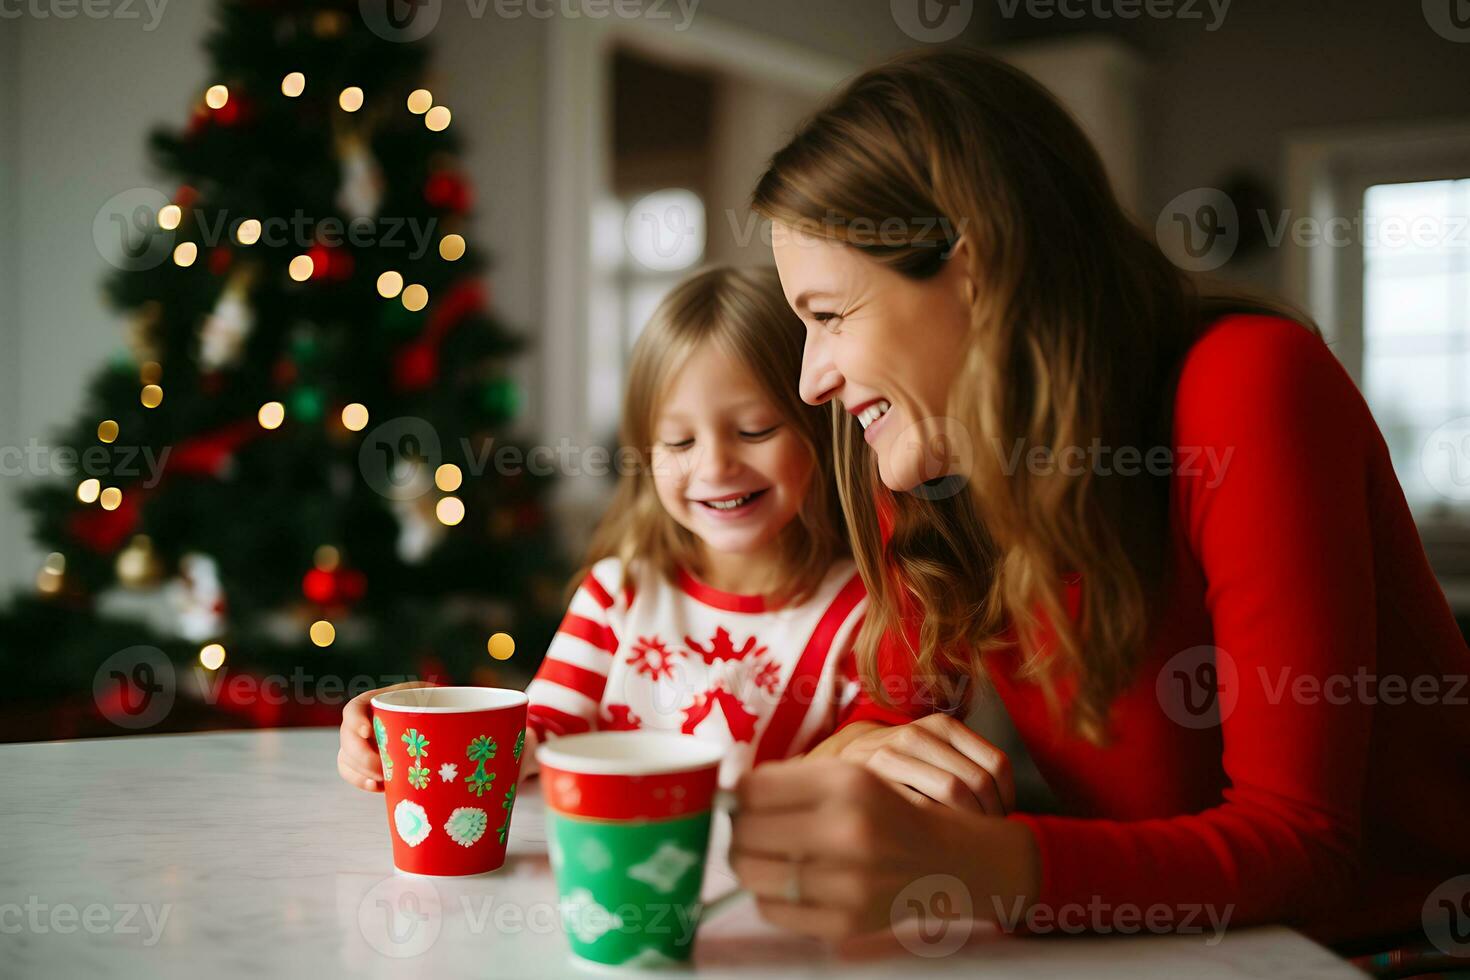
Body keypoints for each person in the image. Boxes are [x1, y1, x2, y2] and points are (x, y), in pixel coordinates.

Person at [727, 47, 1470, 950]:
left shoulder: (1248, 386)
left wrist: (975, 861)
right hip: (1176, 949)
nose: (811, 380)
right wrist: (861, 754)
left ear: (974, 270)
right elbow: (901, 711)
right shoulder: (929, 461)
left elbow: (1304, 846)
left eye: (831, 315)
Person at [337, 266, 876, 794]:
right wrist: (416, 721)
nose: (714, 467)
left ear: (821, 427)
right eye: (680, 443)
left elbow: (862, 785)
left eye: (754, 429)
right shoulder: (617, 594)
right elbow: (531, 739)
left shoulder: (861, 613)